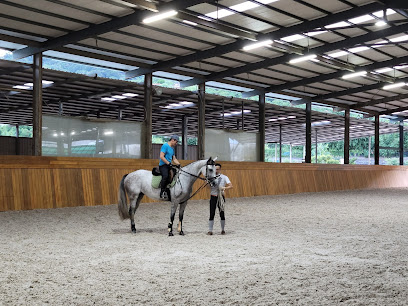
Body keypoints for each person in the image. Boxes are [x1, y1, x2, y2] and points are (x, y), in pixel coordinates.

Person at [208, 163, 232, 235]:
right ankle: (210, 230)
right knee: (212, 213)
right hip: (213, 196)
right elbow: (208, 187)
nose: (216, 170)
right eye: (215, 169)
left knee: (222, 213)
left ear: (220, 169)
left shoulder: (224, 177)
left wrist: (224, 188)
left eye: (218, 169)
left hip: (221, 196)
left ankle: (222, 229)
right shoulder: (211, 178)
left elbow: (231, 186)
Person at [159, 135, 181, 199]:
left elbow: (174, 159)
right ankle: (162, 191)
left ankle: (169, 190)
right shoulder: (165, 146)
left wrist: (179, 164)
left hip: (169, 165)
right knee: (165, 176)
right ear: (172, 140)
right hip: (163, 165)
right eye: (176, 142)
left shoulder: (172, 149)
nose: (176, 144)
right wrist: (168, 163)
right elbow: (161, 156)